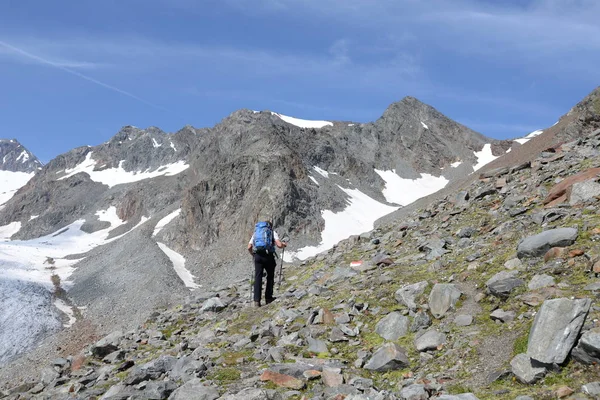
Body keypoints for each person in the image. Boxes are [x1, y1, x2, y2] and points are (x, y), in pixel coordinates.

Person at [248, 220, 286, 307]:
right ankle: (268, 298)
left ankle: (256, 301)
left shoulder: (256, 233)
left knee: (258, 278)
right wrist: (284, 244)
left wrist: (253, 254)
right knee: (270, 276)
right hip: (268, 256)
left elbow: (249, 246)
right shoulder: (272, 232)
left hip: (258, 256)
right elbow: (279, 245)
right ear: (270, 226)